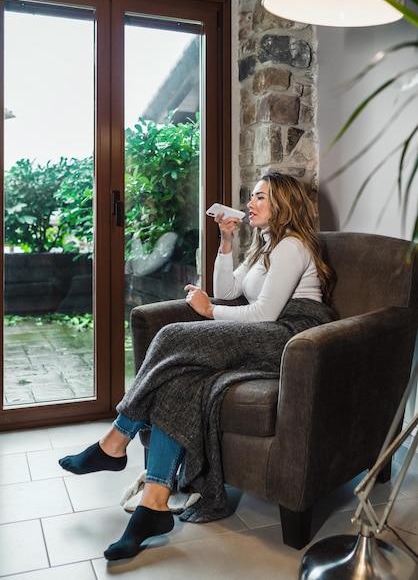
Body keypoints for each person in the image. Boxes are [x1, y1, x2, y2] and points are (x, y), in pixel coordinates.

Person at [59, 172, 336, 562]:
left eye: (260, 197)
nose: (250, 203)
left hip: (293, 336)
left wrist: (210, 311)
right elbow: (227, 292)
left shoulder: (292, 245)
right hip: (271, 330)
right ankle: (154, 505)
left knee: (173, 334)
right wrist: (226, 242)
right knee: (179, 382)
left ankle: (115, 440)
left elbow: (264, 313)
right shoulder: (266, 245)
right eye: (252, 196)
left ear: (284, 204)